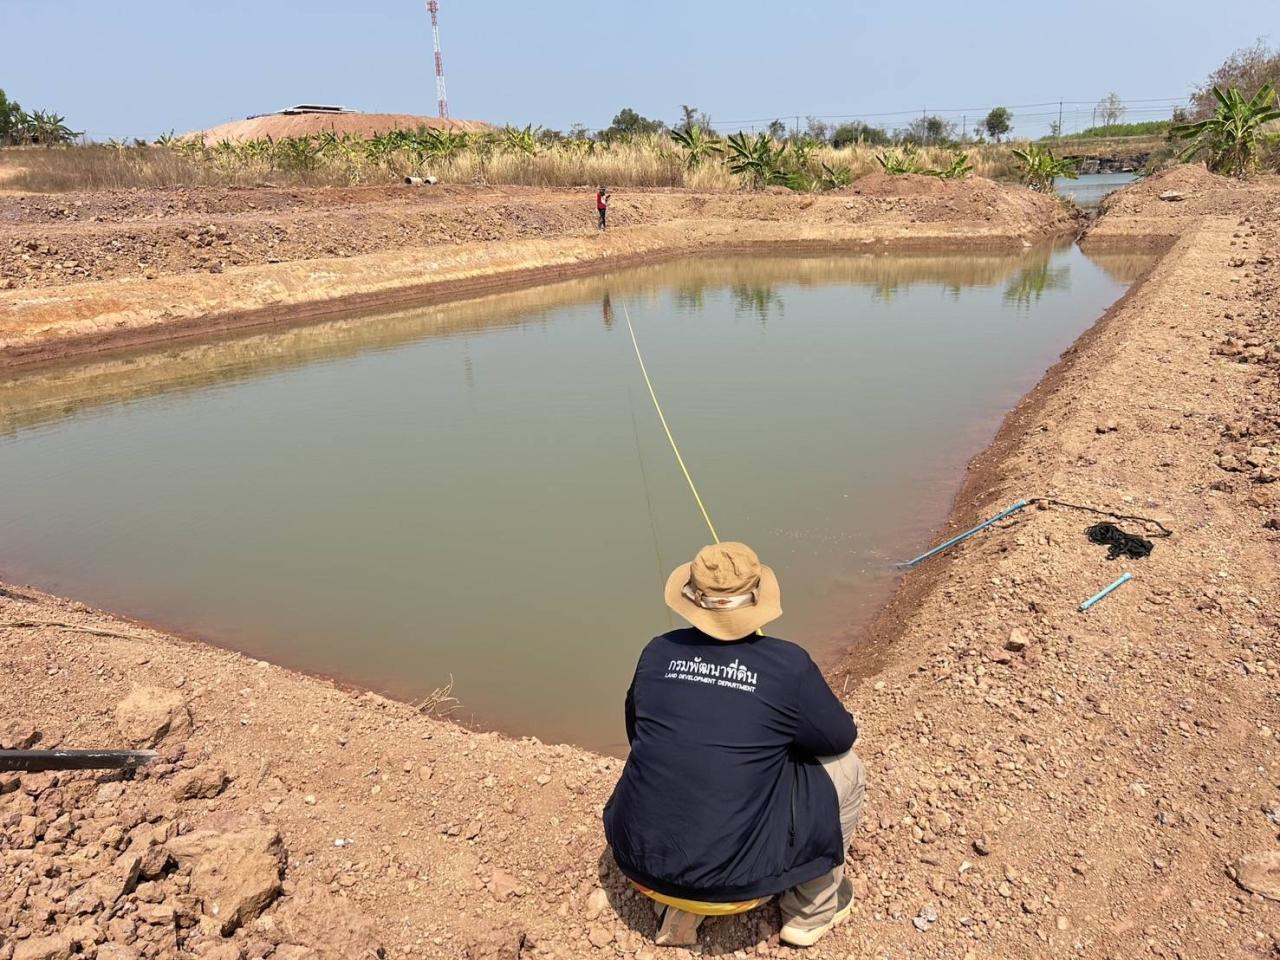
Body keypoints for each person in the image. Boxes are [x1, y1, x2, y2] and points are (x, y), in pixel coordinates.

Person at [603, 542, 864, 948]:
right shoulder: (788, 664)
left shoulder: (657, 652)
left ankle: (681, 906)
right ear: (758, 600)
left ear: (690, 599)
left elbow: (636, 733)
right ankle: (809, 911)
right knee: (846, 768)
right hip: (741, 889)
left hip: (640, 868)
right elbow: (839, 737)